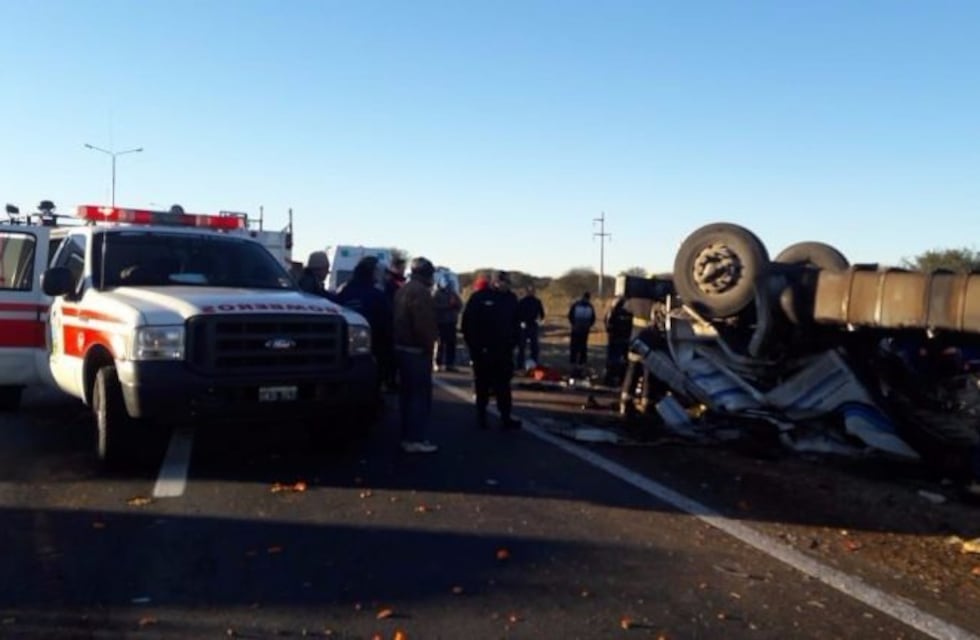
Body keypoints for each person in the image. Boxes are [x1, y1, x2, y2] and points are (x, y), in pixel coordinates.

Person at [461, 270, 522, 431]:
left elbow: (516, 323)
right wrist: (475, 347)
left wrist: (514, 342)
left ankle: (505, 417)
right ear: (495, 282)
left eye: (508, 283)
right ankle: (481, 417)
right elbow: (468, 324)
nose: (506, 285)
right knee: (482, 384)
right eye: (503, 282)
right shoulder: (480, 298)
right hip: (482, 351)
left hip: (504, 351)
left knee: (503, 385)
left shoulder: (511, 299)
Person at [392, 257, 439, 453]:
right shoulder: (421, 293)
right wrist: (430, 345)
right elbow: (424, 325)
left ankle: (407, 436)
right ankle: (415, 438)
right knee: (419, 397)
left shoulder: (403, 289)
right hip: (416, 351)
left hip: (402, 348)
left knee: (407, 397)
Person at [336, 256, 393, 397]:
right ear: (373, 272)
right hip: (374, 349)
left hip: (345, 348)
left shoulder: (346, 290)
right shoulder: (376, 295)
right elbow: (386, 324)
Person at [432, 273, 463, 372]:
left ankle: (450, 364)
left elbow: (460, 305)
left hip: (451, 321)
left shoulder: (453, 293)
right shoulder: (436, 293)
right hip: (440, 322)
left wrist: (456, 305)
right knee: (440, 343)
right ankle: (437, 363)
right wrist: (448, 306)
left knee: (451, 343)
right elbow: (434, 307)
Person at [603, 296, 634, 387]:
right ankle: (621, 380)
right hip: (625, 339)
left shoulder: (613, 312)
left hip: (615, 339)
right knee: (624, 361)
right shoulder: (630, 314)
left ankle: (610, 379)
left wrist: (610, 332)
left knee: (613, 359)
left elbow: (608, 323)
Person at [516, 285, 546, 370]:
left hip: (533, 325)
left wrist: (539, 321)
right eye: (529, 290)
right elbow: (517, 314)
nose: (531, 292)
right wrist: (520, 322)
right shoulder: (522, 301)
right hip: (523, 326)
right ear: (526, 292)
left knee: (534, 347)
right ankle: (520, 365)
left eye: (532, 290)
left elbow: (542, 314)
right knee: (522, 347)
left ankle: (534, 363)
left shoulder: (537, 301)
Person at [567, 291, 596, 369]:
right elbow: (593, 318)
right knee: (581, 346)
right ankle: (580, 362)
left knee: (577, 346)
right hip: (583, 329)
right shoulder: (590, 306)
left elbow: (570, 316)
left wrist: (574, 324)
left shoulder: (576, 305)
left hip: (578, 329)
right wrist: (588, 325)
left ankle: (575, 362)